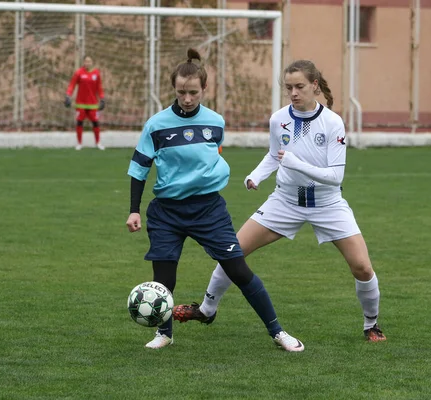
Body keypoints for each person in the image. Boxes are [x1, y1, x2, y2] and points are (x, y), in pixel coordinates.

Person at [172, 60, 387, 343]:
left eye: (299, 87)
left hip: (327, 203)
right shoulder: (279, 119)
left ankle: (371, 325)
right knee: (232, 252)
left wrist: (297, 164)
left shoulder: (333, 123)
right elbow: (275, 154)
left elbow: (335, 177)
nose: (293, 93)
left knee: (362, 266)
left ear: (314, 85)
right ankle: (206, 309)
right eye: (288, 88)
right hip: (284, 201)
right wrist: (257, 176)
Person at [125, 48, 304, 351]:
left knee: (238, 270)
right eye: (181, 92)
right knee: (164, 278)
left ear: (204, 89)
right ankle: (164, 334)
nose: (187, 98)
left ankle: (277, 331)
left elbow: (212, 153)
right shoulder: (156, 125)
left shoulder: (215, 122)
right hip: (167, 212)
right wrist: (133, 211)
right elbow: (139, 168)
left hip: (209, 209)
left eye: (193, 92)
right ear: (174, 89)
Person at [65, 55, 105, 150]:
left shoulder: (96, 73)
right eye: (86, 61)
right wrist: (68, 95)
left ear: (92, 62)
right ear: (83, 62)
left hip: (93, 104)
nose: (87, 63)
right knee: (79, 122)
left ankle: (98, 143)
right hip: (80, 103)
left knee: (95, 123)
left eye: (89, 61)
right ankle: (79, 143)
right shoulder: (79, 73)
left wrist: (102, 98)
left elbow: (99, 88)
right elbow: (72, 85)